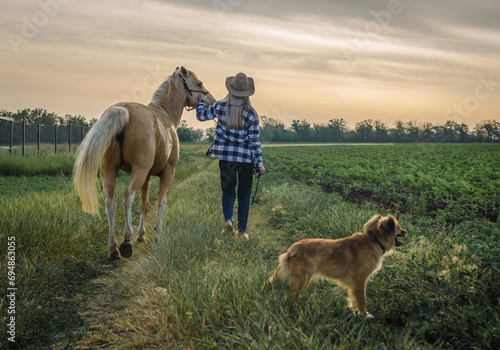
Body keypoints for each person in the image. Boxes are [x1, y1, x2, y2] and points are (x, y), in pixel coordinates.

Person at [196, 72, 265, 240]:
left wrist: (201, 102)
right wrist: (260, 164)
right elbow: (254, 141)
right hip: (245, 161)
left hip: (226, 158)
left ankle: (228, 222)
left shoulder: (219, 106)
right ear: (247, 92)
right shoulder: (251, 113)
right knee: (244, 195)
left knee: (228, 192)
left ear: (230, 89)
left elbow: (201, 116)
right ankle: (242, 232)